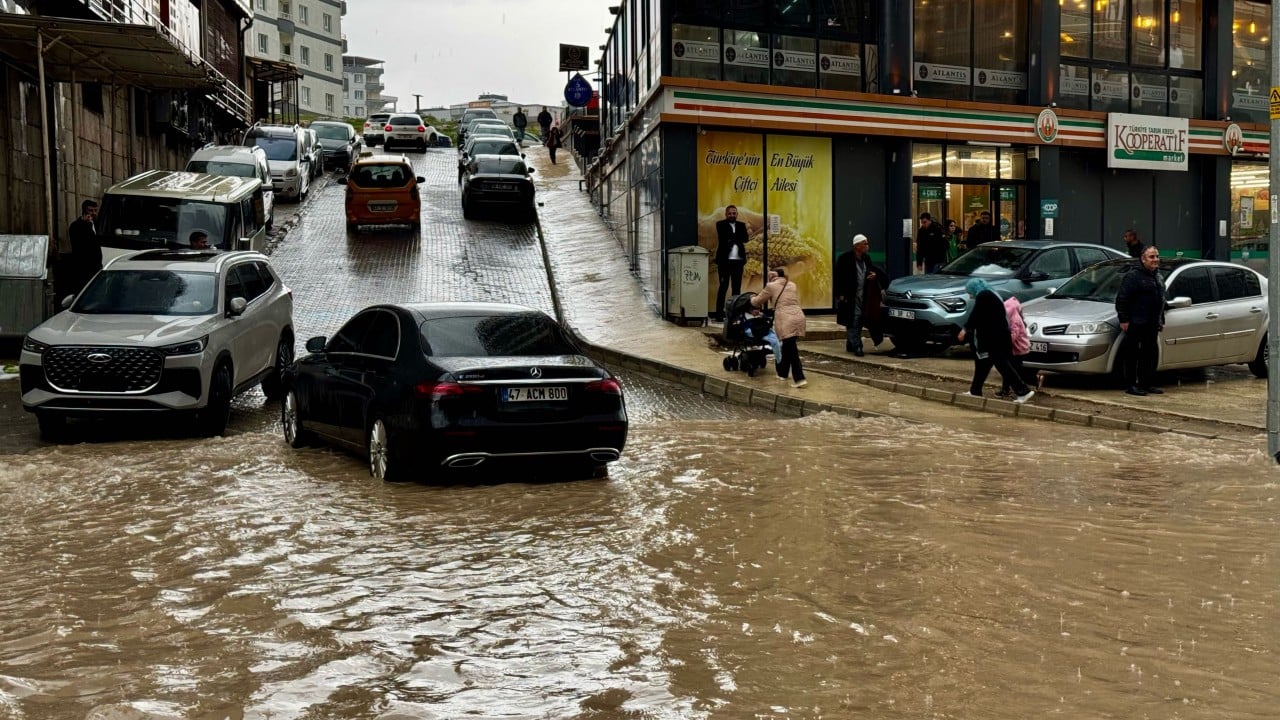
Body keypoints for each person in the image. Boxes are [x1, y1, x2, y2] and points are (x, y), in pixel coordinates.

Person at [957, 277, 1035, 403]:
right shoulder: (992, 294)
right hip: (998, 338)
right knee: (982, 365)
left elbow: (976, 314)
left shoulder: (984, 295)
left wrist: (965, 329)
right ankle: (975, 391)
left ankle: (1023, 391)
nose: (970, 296)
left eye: (969, 292)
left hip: (995, 340)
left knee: (1002, 365)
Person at [1115, 245, 1165, 396]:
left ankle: (1146, 383)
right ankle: (1131, 385)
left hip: (1152, 323)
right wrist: (1123, 319)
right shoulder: (1133, 276)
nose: (1155, 259)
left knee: (1149, 354)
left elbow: (1161, 300)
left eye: (1156, 256)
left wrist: (1160, 320)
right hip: (1136, 321)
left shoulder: (1158, 276)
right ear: (1143, 259)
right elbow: (1122, 299)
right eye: (1151, 257)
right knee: (1132, 354)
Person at [834, 233, 887, 356]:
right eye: (865, 244)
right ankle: (857, 345)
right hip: (850, 295)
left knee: (859, 318)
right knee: (854, 318)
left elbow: (871, 271)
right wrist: (840, 294)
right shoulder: (845, 259)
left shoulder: (866, 259)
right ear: (857, 246)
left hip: (863, 295)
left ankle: (850, 343)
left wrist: (874, 276)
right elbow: (838, 277)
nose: (867, 246)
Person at [752, 268, 807, 388]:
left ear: (772, 276)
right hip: (798, 317)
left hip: (785, 319)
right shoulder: (792, 285)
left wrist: (750, 299)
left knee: (792, 349)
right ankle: (782, 373)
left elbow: (757, 301)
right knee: (788, 346)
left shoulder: (771, 286)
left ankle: (799, 378)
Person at [713, 204, 749, 320]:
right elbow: (724, 238)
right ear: (726, 214)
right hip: (724, 261)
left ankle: (735, 313)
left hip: (738, 261)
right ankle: (719, 313)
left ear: (737, 214)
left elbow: (745, 239)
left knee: (736, 288)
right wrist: (735, 237)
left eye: (734, 213)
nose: (732, 215)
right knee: (723, 286)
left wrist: (733, 238)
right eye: (730, 213)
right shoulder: (720, 224)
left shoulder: (741, 225)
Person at [996, 294, 1031, 399]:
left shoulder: (1014, 319)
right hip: (1015, 348)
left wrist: (1002, 341)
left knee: (1013, 370)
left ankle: (1015, 389)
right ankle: (1007, 389)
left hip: (1017, 349)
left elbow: (1013, 335)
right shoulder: (1014, 316)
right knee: (1012, 370)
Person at [68, 199, 101, 293]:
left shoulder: (97, 224)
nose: (94, 213)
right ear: (84, 211)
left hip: (96, 265)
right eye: (90, 210)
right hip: (83, 267)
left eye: (95, 210)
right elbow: (79, 244)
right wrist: (85, 224)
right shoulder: (76, 226)